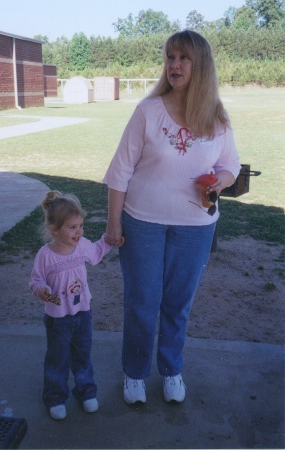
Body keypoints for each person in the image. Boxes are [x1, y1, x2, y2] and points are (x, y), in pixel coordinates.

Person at [103, 30, 241, 405]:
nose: (174, 65)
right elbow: (120, 171)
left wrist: (220, 183)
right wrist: (113, 223)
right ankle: (134, 373)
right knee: (142, 301)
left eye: (182, 58)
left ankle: (171, 369)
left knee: (178, 303)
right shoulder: (147, 112)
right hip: (142, 223)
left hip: (196, 227)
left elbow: (230, 164)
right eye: (170, 58)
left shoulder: (217, 117)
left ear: (201, 66)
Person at [29, 191, 112, 420]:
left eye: (81, 225)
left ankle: (86, 392)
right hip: (58, 318)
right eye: (73, 227)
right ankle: (55, 397)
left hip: (83, 313)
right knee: (58, 358)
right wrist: (41, 290)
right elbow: (35, 280)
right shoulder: (45, 256)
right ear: (54, 229)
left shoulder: (83, 245)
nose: (79, 232)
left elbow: (95, 255)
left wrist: (109, 238)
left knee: (82, 355)